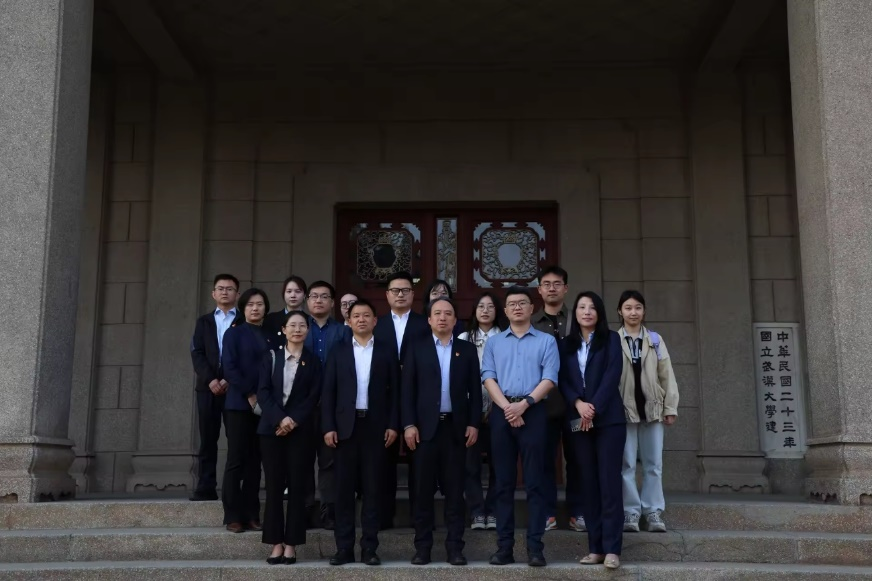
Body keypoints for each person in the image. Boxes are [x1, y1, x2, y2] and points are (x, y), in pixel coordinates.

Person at [481, 286, 559, 568]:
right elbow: (488, 377)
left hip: (533, 413)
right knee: (503, 484)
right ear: (505, 310)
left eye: (522, 303)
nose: (517, 307)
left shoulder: (546, 341)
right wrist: (508, 408)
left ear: (531, 308)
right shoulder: (494, 343)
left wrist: (523, 405)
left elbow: (550, 378)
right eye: (512, 303)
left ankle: (535, 548)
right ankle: (504, 548)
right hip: (502, 413)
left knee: (535, 483)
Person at [401, 297, 481, 566]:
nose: (442, 318)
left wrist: (473, 423)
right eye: (437, 313)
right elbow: (407, 390)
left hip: (455, 430)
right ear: (429, 319)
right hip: (424, 431)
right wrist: (409, 424)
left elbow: (475, 391)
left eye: (448, 313)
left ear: (455, 320)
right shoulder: (416, 347)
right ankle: (422, 548)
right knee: (422, 492)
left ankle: (455, 548)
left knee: (455, 493)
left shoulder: (466, 350)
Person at [322, 299, 400, 566]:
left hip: (376, 428)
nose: (361, 319)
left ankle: (370, 548)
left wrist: (393, 424)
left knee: (373, 490)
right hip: (345, 429)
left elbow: (396, 392)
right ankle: (344, 548)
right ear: (349, 321)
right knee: (343, 492)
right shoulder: (338, 350)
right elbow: (328, 392)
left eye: (367, 315)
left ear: (375, 321)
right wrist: (328, 426)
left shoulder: (387, 351)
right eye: (356, 316)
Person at [559, 291, 626, 570]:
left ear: (599, 313)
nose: (586, 312)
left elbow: (612, 376)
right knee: (588, 483)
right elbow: (562, 379)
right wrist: (578, 403)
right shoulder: (566, 344)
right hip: (579, 420)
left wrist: (593, 407)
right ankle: (595, 548)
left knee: (609, 484)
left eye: (592, 307)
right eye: (581, 307)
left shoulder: (611, 339)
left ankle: (612, 549)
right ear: (574, 313)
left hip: (608, 420)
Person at [257, 311, 322, 564]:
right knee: (274, 487)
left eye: (302, 325)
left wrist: (293, 420)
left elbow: (313, 396)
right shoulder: (271, 357)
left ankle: (292, 544)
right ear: (283, 329)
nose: (297, 329)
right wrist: (280, 419)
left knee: (297, 487)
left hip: (300, 432)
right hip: (271, 431)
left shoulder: (313, 361)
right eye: (292, 325)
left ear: (308, 330)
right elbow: (263, 392)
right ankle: (276, 543)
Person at [616, 290, 679, 534]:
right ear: (620, 311)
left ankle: (653, 512)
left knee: (654, 464)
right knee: (626, 465)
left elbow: (667, 374)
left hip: (653, 409)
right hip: (624, 411)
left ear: (644, 311)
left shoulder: (654, 339)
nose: (633, 312)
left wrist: (670, 406)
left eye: (638, 307)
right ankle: (630, 512)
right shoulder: (613, 340)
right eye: (628, 308)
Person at [373, 271, 429, 529]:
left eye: (405, 290)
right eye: (395, 290)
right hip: (383, 401)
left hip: (418, 400)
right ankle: (384, 517)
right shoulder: (377, 324)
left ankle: (420, 519)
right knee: (383, 462)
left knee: (419, 462)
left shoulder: (424, 323)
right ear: (387, 295)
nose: (400, 294)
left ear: (412, 294)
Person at [221, 288, 275, 533]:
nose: (255, 308)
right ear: (243, 308)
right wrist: (250, 394)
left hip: (264, 406)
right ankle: (232, 515)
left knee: (256, 461)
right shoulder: (234, 334)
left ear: (266, 308)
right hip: (239, 404)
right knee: (236, 459)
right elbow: (229, 368)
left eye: (260, 304)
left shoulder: (272, 335)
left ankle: (252, 513)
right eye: (251, 304)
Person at [531, 266, 580, 532]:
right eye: (546, 284)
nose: (552, 288)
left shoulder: (578, 319)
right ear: (539, 289)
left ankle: (578, 512)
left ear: (565, 288)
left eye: (557, 283)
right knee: (543, 460)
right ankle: (547, 513)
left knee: (578, 459)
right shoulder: (531, 321)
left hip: (575, 404)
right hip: (543, 404)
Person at [457, 291, 508, 531]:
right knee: (470, 464)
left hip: (501, 407)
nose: (485, 311)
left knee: (499, 462)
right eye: (480, 306)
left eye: (490, 306)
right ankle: (477, 511)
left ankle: (494, 510)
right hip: (470, 410)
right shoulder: (464, 338)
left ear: (497, 311)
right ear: (474, 311)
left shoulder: (506, 337)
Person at [302, 281, 349, 529]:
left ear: (332, 303)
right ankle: (305, 510)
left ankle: (328, 510)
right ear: (307, 301)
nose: (318, 300)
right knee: (302, 459)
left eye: (324, 297)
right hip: (303, 405)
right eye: (314, 296)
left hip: (332, 406)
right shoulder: (299, 327)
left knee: (329, 461)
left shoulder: (343, 332)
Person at [189, 273, 238, 501]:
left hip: (235, 388)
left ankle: (233, 488)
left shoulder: (243, 321)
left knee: (236, 439)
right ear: (213, 293)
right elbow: (197, 353)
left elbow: (245, 355)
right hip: (207, 388)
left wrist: (228, 378)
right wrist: (211, 380)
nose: (225, 292)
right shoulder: (204, 322)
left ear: (237, 294)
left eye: (229, 288)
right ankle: (206, 486)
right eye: (221, 288)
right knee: (208, 439)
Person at [264, 275, 307, 343]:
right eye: (289, 291)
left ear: (304, 295)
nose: (293, 295)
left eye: (298, 291)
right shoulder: (271, 319)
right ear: (283, 294)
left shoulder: (310, 320)